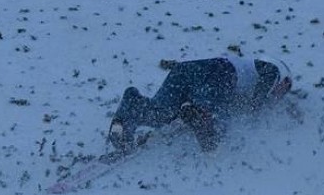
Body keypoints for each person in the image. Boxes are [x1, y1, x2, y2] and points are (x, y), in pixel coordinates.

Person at [108, 55, 293, 152]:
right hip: (216, 73)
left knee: (161, 114)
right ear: (283, 80)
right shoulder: (272, 70)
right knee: (213, 117)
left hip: (185, 71)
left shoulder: (245, 83)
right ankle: (196, 116)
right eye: (284, 89)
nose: (279, 96)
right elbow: (257, 100)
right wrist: (258, 109)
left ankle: (131, 105)